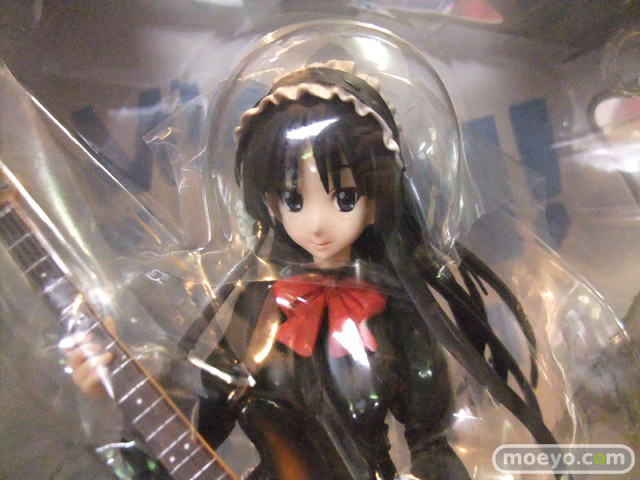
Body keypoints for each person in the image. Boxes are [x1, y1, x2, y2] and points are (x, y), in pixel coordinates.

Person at [68, 62, 562, 480]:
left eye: (345, 197)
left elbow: (431, 437)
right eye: (293, 197)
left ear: (377, 199)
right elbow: (203, 415)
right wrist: (123, 391)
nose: (318, 223)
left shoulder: (393, 308)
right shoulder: (258, 306)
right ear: (269, 201)